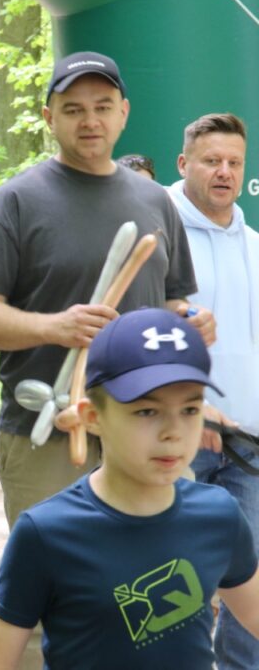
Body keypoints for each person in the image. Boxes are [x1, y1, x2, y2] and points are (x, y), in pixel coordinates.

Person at [0, 51, 211, 530]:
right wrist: (56, 327)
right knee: (54, 590)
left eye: (102, 105)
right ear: (50, 118)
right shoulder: (14, 202)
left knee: (149, 584)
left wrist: (189, 320)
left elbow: (172, 298)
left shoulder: (155, 201)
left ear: (123, 112)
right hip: (50, 435)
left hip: (145, 428)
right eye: (73, 109)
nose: (90, 120)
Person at [0, 308, 259, 669]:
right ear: (92, 417)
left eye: (189, 409)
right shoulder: (46, 533)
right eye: (146, 412)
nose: (172, 432)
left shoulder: (218, 515)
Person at [167, 112, 259, 669]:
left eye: (234, 163)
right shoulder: (159, 235)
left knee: (249, 582)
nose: (223, 173)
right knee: (180, 580)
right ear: (184, 163)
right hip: (181, 438)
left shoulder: (255, 244)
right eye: (211, 161)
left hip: (249, 443)